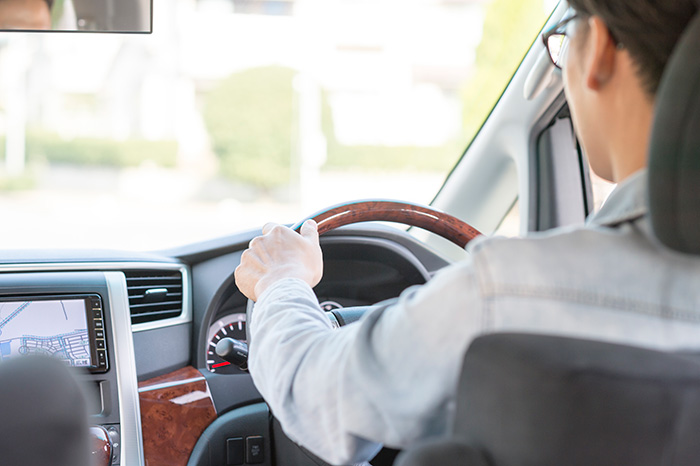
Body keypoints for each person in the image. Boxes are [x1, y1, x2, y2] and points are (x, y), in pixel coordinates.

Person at [234, 0, 700, 464]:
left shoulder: (507, 292)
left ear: (596, 48)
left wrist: (281, 280)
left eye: (565, 39)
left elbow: (318, 396)